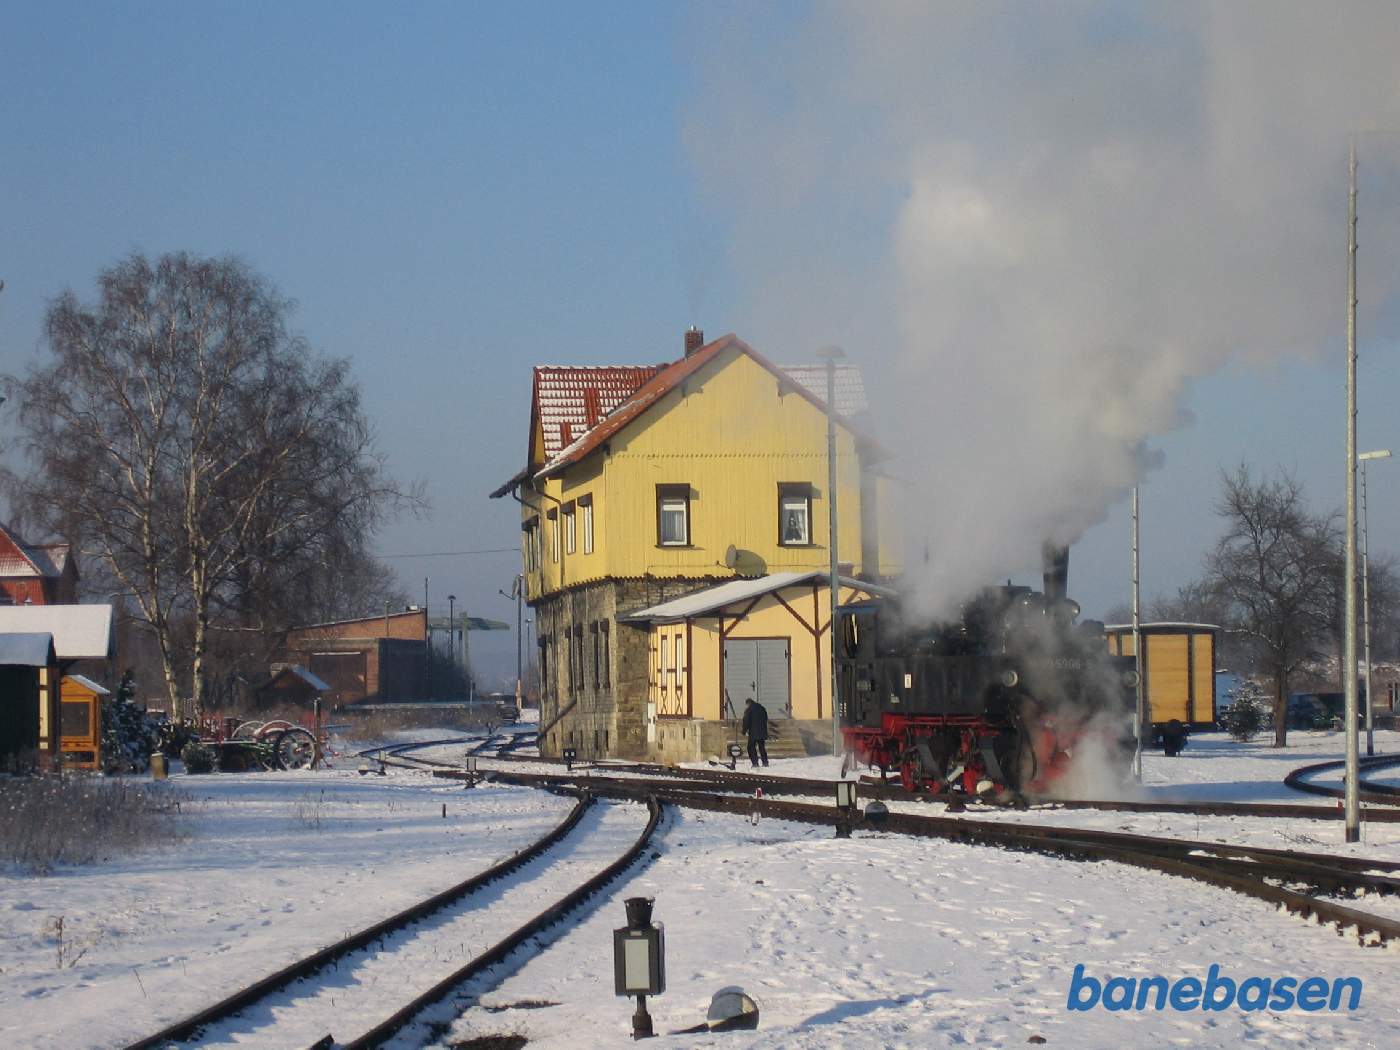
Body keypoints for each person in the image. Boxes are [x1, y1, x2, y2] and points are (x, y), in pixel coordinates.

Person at [741, 698, 769, 767]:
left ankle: (755, 763)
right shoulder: (762, 708)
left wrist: (744, 731)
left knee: (751, 747)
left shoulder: (749, 710)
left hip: (753, 732)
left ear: (748, 703)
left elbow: (746, 721)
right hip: (762, 731)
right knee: (762, 747)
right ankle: (765, 762)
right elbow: (766, 719)